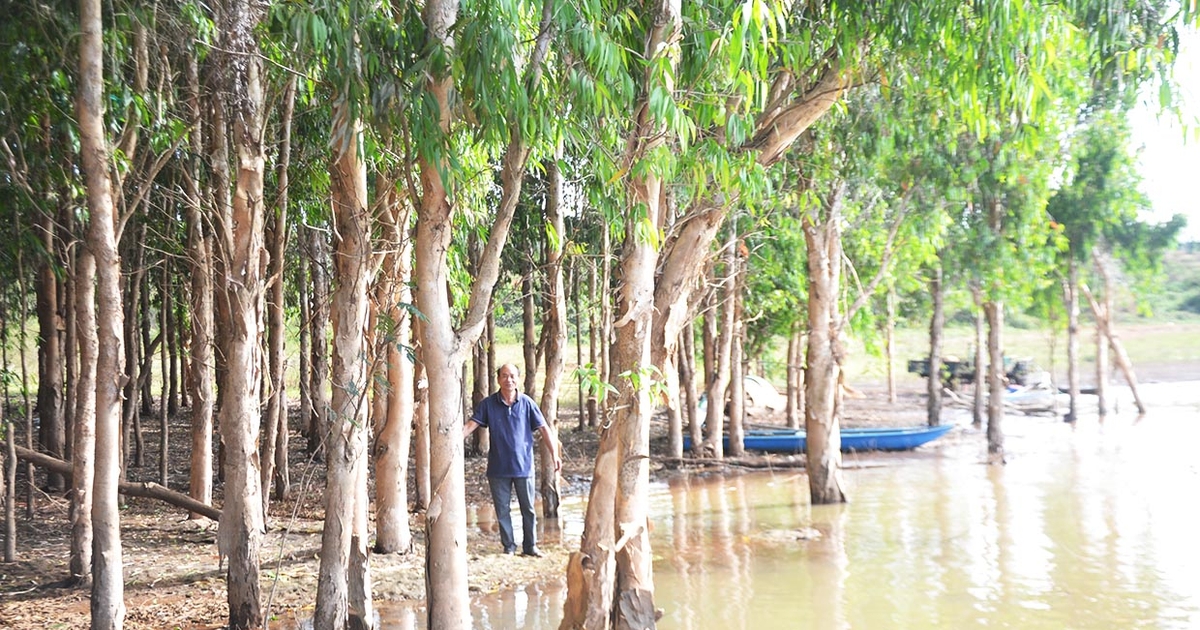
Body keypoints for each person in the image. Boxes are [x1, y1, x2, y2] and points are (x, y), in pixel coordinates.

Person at [464, 363, 562, 557]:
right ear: (498, 379)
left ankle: (530, 547)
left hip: (524, 467)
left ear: (518, 378)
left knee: (529, 509)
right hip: (498, 468)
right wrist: (453, 443)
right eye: (504, 376)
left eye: (512, 376)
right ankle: (509, 547)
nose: (509, 380)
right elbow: (471, 425)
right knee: (502, 511)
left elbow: (544, 429)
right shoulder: (488, 404)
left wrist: (554, 454)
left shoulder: (527, 403)